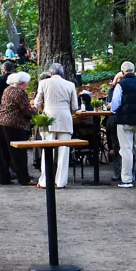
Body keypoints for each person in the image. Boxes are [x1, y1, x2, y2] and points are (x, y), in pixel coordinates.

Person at [32, 61, 80, 189]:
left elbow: (37, 103)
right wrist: (68, 111)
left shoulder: (43, 83)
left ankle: (44, 181)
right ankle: (61, 181)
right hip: (65, 119)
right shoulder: (70, 85)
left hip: (48, 118)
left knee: (47, 150)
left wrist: (43, 110)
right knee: (64, 152)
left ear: (50, 73)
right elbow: (75, 107)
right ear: (63, 74)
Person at [110, 59, 136, 188]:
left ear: (122, 72)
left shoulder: (120, 85)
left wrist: (112, 108)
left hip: (125, 122)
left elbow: (115, 104)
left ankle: (127, 179)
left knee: (126, 150)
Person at [0, 71, 34, 185]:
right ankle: (23, 178)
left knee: (3, 152)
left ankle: (4, 178)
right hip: (14, 125)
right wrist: (35, 111)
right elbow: (26, 110)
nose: (26, 86)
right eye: (26, 84)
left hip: (0, 122)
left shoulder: (7, 90)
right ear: (22, 83)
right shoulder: (20, 93)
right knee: (18, 153)